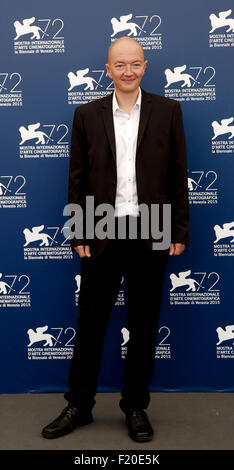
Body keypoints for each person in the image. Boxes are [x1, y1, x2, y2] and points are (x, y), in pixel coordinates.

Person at [42, 36, 189, 442]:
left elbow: (179, 174)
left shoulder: (168, 111)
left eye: (135, 64)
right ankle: (79, 404)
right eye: (119, 65)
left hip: (153, 226)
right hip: (101, 226)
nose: (128, 71)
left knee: (144, 324)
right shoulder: (86, 114)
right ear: (108, 70)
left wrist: (179, 230)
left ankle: (136, 406)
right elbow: (76, 176)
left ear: (145, 66)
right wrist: (78, 228)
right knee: (90, 322)